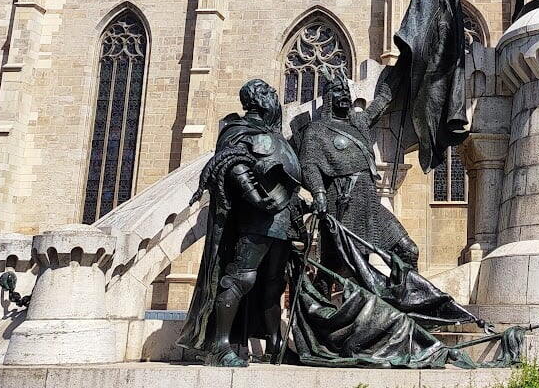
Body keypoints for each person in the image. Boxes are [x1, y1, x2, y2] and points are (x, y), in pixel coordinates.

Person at [179, 79, 303, 367]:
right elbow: (232, 163)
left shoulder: (275, 136)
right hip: (256, 219)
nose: (276, 99)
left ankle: (275, 344)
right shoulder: (238, 130)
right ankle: (221, 345)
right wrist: (257, 197)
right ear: (259, 99)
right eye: (272, 94)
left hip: (282, 220)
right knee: (241, 277)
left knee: (274, 283)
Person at [297, 73, 420, 285]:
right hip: (342, 202)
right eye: (338, 91)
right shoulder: (317, 130)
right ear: (328, 97)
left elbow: (382, 102)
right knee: (338, 268)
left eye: (346, 91)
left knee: (408, 250)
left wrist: (403, 67)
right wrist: (318, 192)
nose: (344, 95)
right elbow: (308, 164)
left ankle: (403, 301)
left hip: (369, 203)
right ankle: (318, 310)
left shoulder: (359, 122)